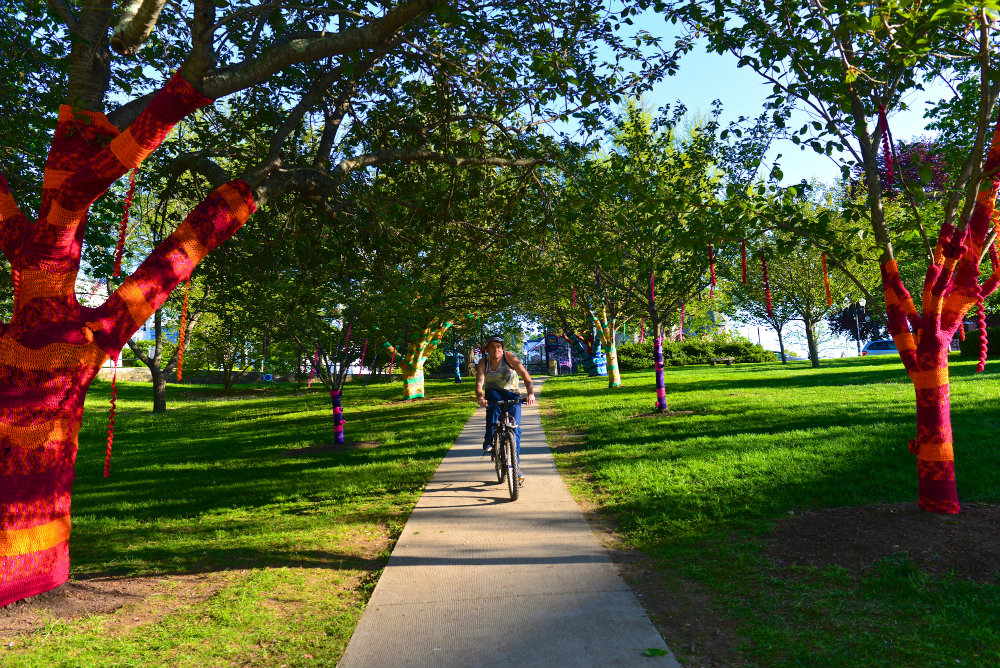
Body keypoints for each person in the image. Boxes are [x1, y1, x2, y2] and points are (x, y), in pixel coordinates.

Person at [476, 335, 536, 482]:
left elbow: (524, 374)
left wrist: (530, 393)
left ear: (503, 348)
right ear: (487, 349)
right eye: (492, 347)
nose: (496, 349)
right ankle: (489, 440)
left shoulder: (509, 357)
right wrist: (480, 397)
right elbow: (479, 383)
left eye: (498, 346)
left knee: (515, 429)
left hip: (512, 393)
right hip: (493, 392)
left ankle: (516, 467)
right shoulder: (484, 362)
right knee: (493, 412)